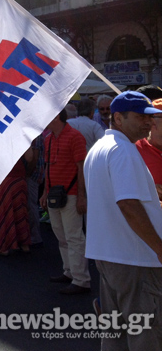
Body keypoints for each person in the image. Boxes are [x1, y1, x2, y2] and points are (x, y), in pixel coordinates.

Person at [84, 91, 162, 349]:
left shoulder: (100, 148)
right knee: (144, 334)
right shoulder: (123, 150)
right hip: (134, 258)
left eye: (150, 117)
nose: (148, 122)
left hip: (110, 255)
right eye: (141, 117)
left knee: (115, 333)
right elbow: (128, 204)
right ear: (118, 118)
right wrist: (159, 248)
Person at [39, 109, 90, 295]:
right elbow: (47, 168)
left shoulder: (75, 137)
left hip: (71, 194)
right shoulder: (48, 139)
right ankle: (69, 272)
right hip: (55, 194)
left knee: (73, 237)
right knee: (61, 235)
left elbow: (81, 168)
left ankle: (81, 279)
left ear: (55, 117)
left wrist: (82, 196)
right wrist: (45, 192)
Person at [0, 152, 32, 255]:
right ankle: (24, 244)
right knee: (20, 210)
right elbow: (30, 158)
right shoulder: (21, 135)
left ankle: (2, 246)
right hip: (19, 176)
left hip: (3, 176)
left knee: (2, 210)